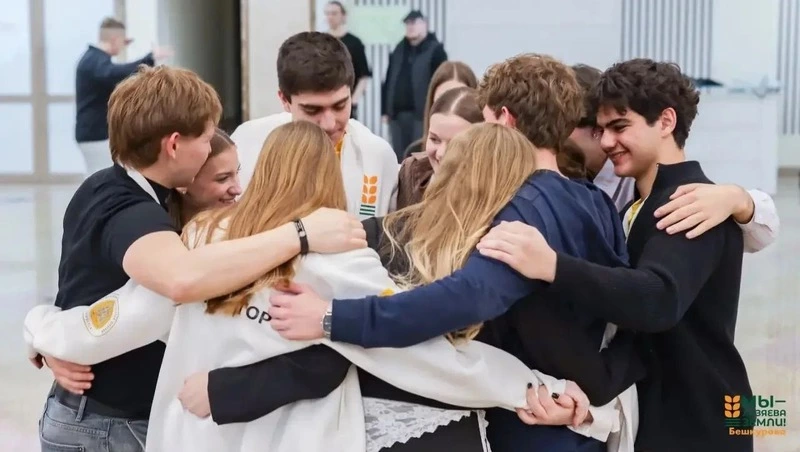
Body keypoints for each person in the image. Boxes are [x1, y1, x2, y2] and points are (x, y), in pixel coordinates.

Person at [29, 121, 607, 452]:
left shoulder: (203, 238)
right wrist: (534, 386)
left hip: (196, 435)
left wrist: (42, 331)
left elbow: (111, 321)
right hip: (291, 438)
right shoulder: (340, 256)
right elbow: (423, 352)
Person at [266, 54, 643, 451]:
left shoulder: (521, 208)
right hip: (579, 425)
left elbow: (462, 299)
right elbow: (622, 312)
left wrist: (331, 317)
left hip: (526, 425)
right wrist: (597, 387)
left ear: (504, 120)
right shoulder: (596, 202)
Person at [35, 65, 364, 452]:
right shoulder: (131, 210)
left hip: (105, 416)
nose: (235, 187)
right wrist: (301, 234)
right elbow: (179, 281)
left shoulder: (115, 190)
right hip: (106, 425)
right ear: (174, 145)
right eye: (207, 140)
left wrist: (42, 330)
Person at [477, 59, 755, 452]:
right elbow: (634, 336)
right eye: (600, 129)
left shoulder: (692, 203)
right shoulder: (636, 206)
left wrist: (551, 265)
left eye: (620, 127)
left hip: (704, 417)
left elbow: (657, 299)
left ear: (666, 121)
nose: (607, 142)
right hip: (665, 412)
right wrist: (581, 398)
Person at [26, 127, 241, 369]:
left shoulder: (104, 189)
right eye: (222, 178)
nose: (238, 188)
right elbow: (96, 332)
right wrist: (42, 330)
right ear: (186, 180)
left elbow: (88, 338)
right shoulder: (166, 246)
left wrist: (38, 325)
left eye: (237, 173)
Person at [569, 64, 779, 251]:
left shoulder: (639, 170)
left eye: (618, 127)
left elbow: (762, 231)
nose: (607, 141)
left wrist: (737, 199)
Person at [232, 31, 398, 219]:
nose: (329, 124)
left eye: (340, 106)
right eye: (312, 110)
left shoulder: (377, 156)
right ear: (284, 100)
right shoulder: (247, 145)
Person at [75, 17, 171, 176]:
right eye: (121, 41)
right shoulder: (94, 62)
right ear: (114, 39)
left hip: (93, 132)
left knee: (99, 175)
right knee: (101, 176)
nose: (122, 46)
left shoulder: (93, 60)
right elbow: (115, 74)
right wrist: (149, 59)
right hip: (96, 134)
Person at [396, 61, 478, 208]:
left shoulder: (496, 189)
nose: (441, 153)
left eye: (455, 142)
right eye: (434, 139)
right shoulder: (412, 172)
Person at [382, 10, 448, 160]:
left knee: (419, 154)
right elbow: (388, 80)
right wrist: (385, 110)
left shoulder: (436, 50)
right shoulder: (399, 49)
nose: (410, 26)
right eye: (407, 23)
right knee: (399, 156)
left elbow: (442, 82)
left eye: (414, 22)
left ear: (424, 24)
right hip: (397, 116)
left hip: (422, 114)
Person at [324, 1, 372, 119]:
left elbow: (364, 75)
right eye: (327, 13)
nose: (330, 17)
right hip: (324, 99)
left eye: (334, 13)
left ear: (343, 16)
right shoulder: (321, 41)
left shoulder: (354, 42)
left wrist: (354, 100)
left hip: (345, 100)